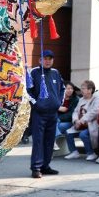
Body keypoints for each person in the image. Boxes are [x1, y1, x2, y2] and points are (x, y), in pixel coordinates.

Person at [27, 50, 65, 178]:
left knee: (49, 141)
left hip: (53, 113)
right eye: (45, 58)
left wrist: (58, 102)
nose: (48, 61)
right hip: (39, 113)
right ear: (40, 60)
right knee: (38, 141)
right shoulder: (34, 72)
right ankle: (36, 168)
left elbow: (63, 89)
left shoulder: (56, 73)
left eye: (50, 58)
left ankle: (46, 166)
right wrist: (36, 104)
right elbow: (28, 91)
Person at [64, 80, 99, 160]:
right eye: (81, 88)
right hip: (80, 124)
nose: (81, 90)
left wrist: (81, 121)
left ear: (90, 90)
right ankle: (74, 152)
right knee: (68, 132)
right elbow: (75, 112)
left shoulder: (97, 99)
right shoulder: (81, 99)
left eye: (83, 88)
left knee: (83, 135)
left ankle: (91, 153)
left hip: (92, 124)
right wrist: (76, 120)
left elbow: (94, 112)